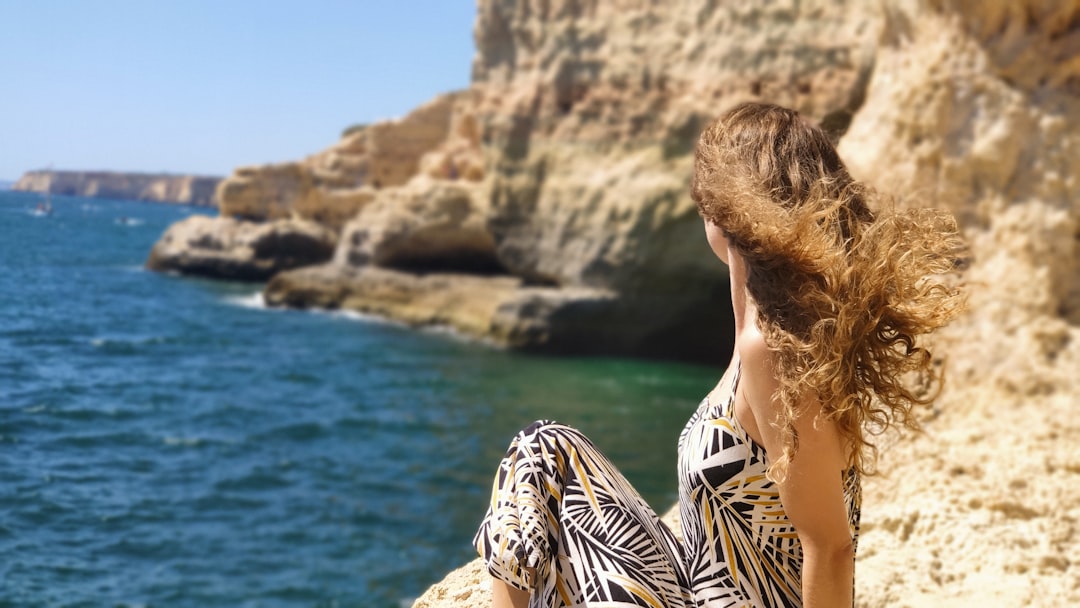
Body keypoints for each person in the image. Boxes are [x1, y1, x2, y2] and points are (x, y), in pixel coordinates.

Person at [473, 102, 966, 608]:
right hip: (698, 587)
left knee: (536, 451)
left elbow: (831, 546)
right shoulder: (768, 330)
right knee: (547, 449)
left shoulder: (772, 348)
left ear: (727, 204)